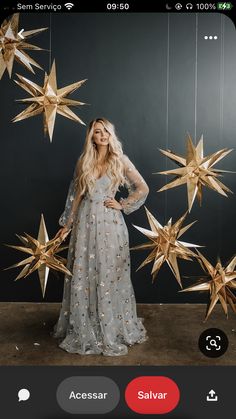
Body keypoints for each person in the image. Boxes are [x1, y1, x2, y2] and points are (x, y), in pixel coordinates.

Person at [53, 117, 149, 356]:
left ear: (111, 134)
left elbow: (142, 187)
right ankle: (88, 327)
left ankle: (111, 327)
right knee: (85, 273)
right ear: (92, 137)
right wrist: (67, 225)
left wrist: (123, 204)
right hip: (85, 223)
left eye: (106, 131)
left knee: (109, 274)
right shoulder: (84, 161)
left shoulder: (120, 160)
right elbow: (76, 197)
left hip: (111, 225)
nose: (103, 135)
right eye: (98, 132)